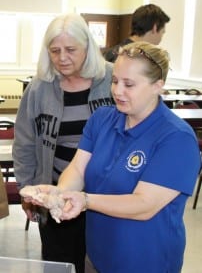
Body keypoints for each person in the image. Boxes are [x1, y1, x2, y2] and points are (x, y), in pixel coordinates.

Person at [21, 41, 201, 273]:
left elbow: (144, 204)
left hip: (146, 261)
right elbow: (78, 169)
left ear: (158, 86)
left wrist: (85, 200)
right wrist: (60, 193)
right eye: (115, 81)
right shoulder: (102, 119)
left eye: (129, 84)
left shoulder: (176, 138)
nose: (117, 91)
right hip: (98, 256)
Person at [12, 13, 114, 273]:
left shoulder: (112, 81)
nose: (62, 58)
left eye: (70, 49)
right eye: (54, 51)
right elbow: (24, 144)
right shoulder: (38, 89)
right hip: (56, 194)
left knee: (103, 263)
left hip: (107, 197)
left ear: (88, 48)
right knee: (59, 262)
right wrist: (28, 191)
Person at [104, 3, 170, 63]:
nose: (161, 38)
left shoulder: (111, 53)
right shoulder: (140, 59)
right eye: (162, 32)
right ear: (155, 28)